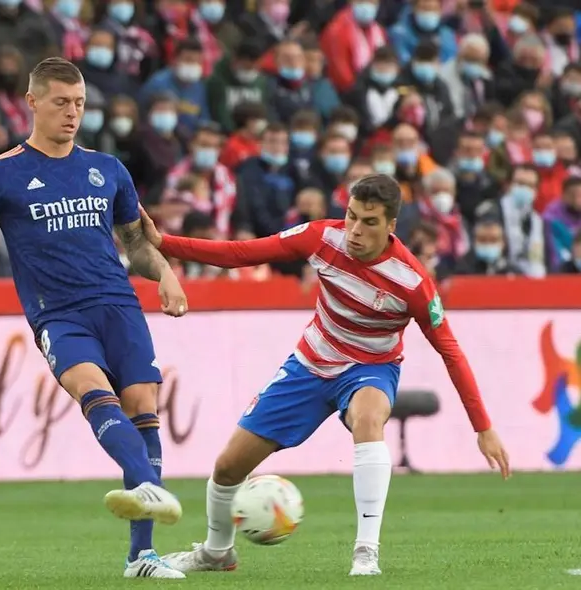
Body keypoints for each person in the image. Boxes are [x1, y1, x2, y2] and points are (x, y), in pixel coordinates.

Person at [139, 174, 511, 576]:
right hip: (310, 363)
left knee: (369, 419)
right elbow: (242, 253)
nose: (354, 230)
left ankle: (366, 552)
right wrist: (164, 243)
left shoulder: (413, 282)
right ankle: (216, 552)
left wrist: (483, 427)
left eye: (369, 222)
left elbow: (450, 351)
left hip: (371, 368)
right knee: (228, 467)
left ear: (391, 227)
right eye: (351, 216)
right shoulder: (321, 237)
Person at [0, 56, 190, 579]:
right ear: (32, 102)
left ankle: (141, 557)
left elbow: (136, 244)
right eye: (61, 102)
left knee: (142, 406)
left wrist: (167, 274)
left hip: (118, 305)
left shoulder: (107, 169)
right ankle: (145, 483)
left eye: (79, 103)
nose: (72, 113)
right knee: (93, 393)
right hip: (58, 315)